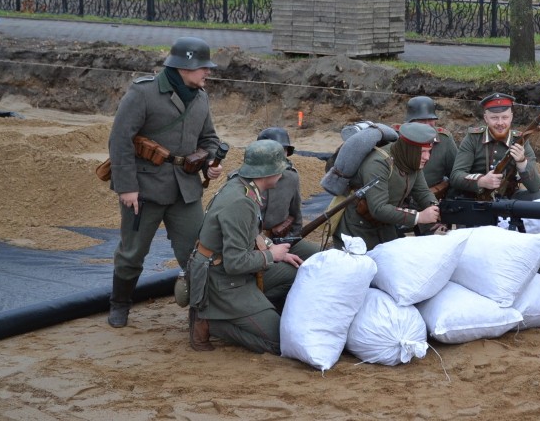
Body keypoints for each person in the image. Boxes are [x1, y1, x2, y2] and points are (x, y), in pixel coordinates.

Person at [107, 36, 224, 328]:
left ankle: (200, 313)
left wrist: (209, 162)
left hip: (185, 190)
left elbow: (208, 138)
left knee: (198, 253)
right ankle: (120, 305)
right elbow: (120, 140)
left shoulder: (201, 97)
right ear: (185, 67)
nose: (207, 73)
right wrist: (126, 187)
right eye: (202, 68)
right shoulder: (143, 93)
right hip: (144, 189)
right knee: (132, 254)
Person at [187, 139, 305, 354]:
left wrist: (274, 251)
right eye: (279, 168)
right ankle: (212, 322)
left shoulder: (243, 187)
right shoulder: (241, 202)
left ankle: (255, 311)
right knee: (282, 343)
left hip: (228, 270)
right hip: (222, 280)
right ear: (267, 173)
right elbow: (234, 263)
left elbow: (250, 234)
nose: (282, 173)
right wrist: (271, 255)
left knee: (292, 274)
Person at [332, 122, 440, 250]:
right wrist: (419, 217)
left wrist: (435, 207)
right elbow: (379, 208)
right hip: (358, 229)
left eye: (429, 151)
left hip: (386, 224)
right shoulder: (379, 164)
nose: (427, 157)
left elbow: (422, 191)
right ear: (410, 149)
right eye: (423, 152)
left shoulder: (411, 160)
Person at [255, 127, 320, 312]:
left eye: (284, 151)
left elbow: (295, 213)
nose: (281, 155)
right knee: (292, 271)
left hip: (282, 239)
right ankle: (262, 304)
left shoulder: (291, 177)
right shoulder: (244, 178)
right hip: (253, 244)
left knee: (320, 256)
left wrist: (292, 238)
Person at [449, 93, 540, 200]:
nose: (500, 123)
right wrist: (482, 181)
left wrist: (522, 163)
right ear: (486, 118)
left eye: (505, 117)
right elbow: (456, 176)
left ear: (511, 117)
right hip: (475, 199)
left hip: (507, 200)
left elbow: (535, 187)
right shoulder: (473, 138)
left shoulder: (521, 140)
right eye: (494, 118)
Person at [396, 96, 457, 235]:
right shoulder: (397, 138)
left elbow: (456, 178)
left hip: (430, 204)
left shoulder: (445, 141)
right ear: (410, 122)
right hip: (400, 206)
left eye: (431, 120)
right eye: (422, 121)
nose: (428, 125)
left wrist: (446, 214)